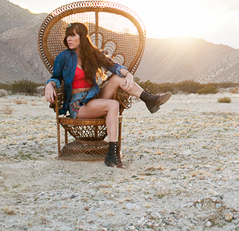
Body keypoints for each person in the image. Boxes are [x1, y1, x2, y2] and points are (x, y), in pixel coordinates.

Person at [44, 22, 171, 168]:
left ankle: (149, 99)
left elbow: (115, 67)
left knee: (118, 78)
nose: (69, 39)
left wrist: (129, 75)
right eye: (68, 36)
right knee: (113, 104)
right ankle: (112, 154)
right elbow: (55, 77)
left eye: (73, 35)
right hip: (78, 105)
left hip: (94, 98)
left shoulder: (92, 54)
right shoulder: (64, 57)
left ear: (82, 37)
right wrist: (49, 85)